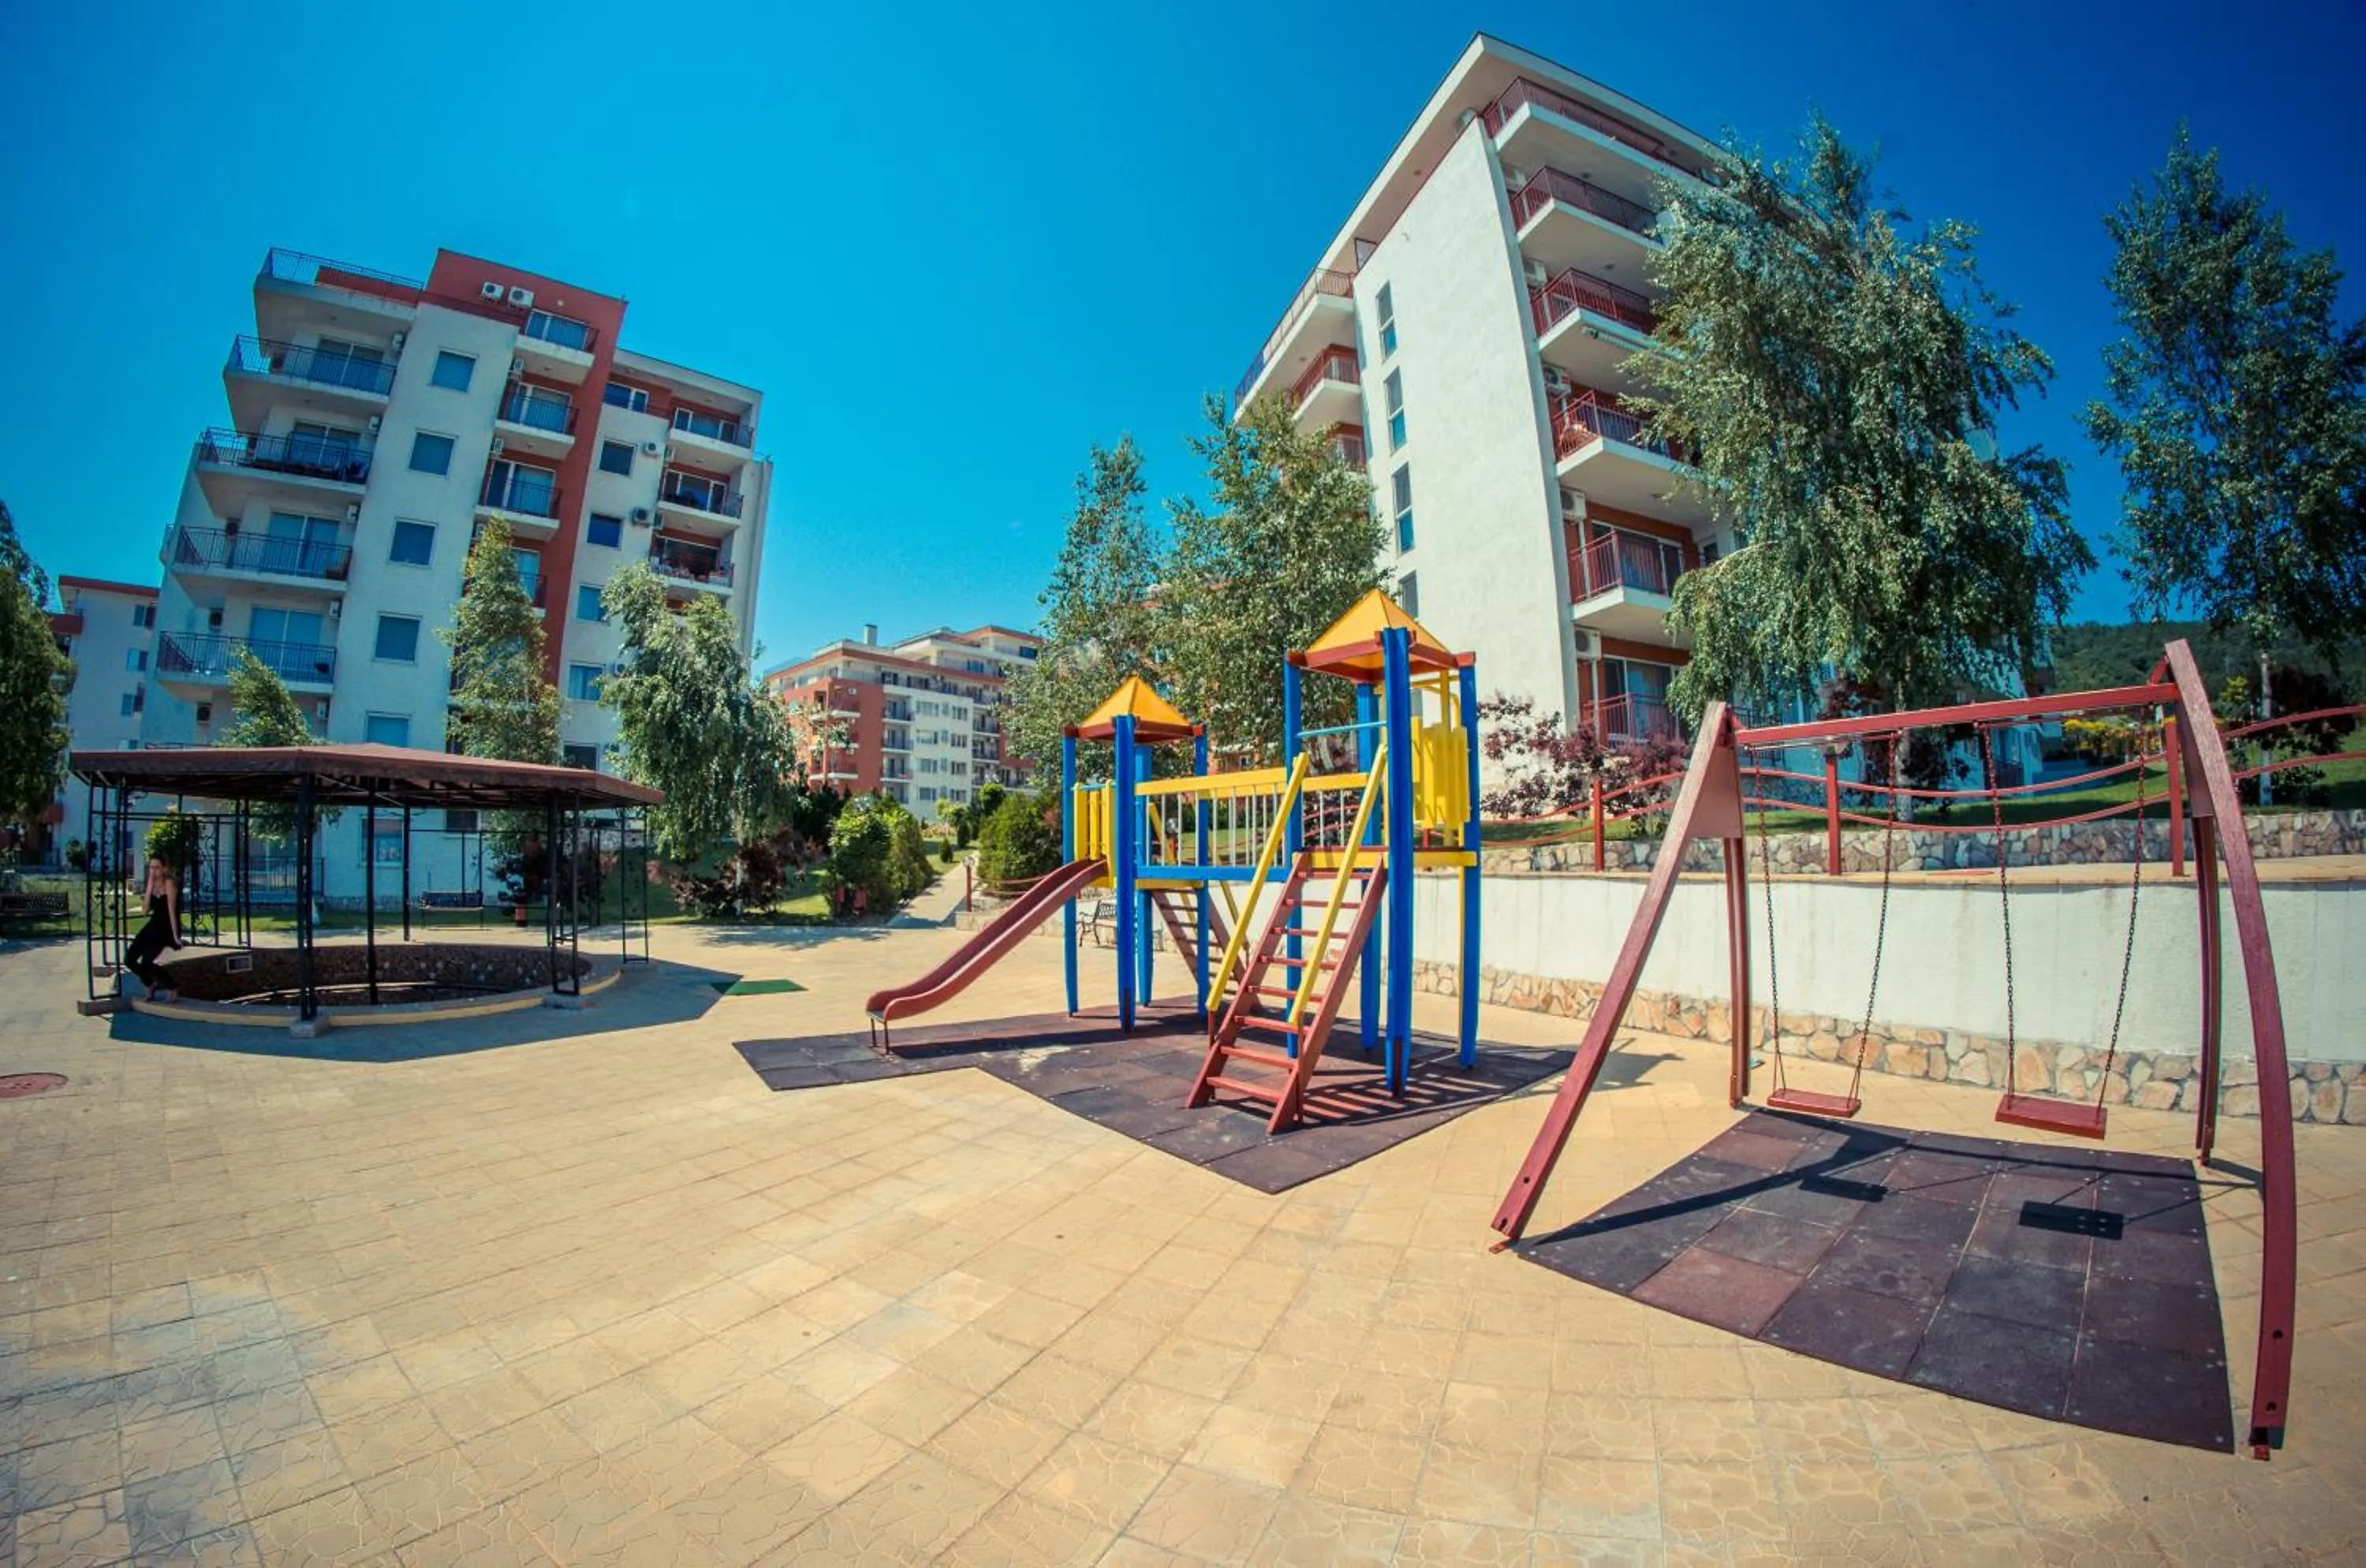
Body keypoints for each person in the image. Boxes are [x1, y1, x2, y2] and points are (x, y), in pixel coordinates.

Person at [124, 855, 184, 1001]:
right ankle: (150, 984)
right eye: (151, 867)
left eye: (157, 867)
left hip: (166, 928)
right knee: (129, 960)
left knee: (147, 962)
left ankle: (172, 986)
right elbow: (144, 911)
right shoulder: (151, 883)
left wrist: (176, 936)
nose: (154, 871)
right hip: (152, 926)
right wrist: (149, 889)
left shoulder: (169, 883)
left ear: (164, 868)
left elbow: (172, 911)